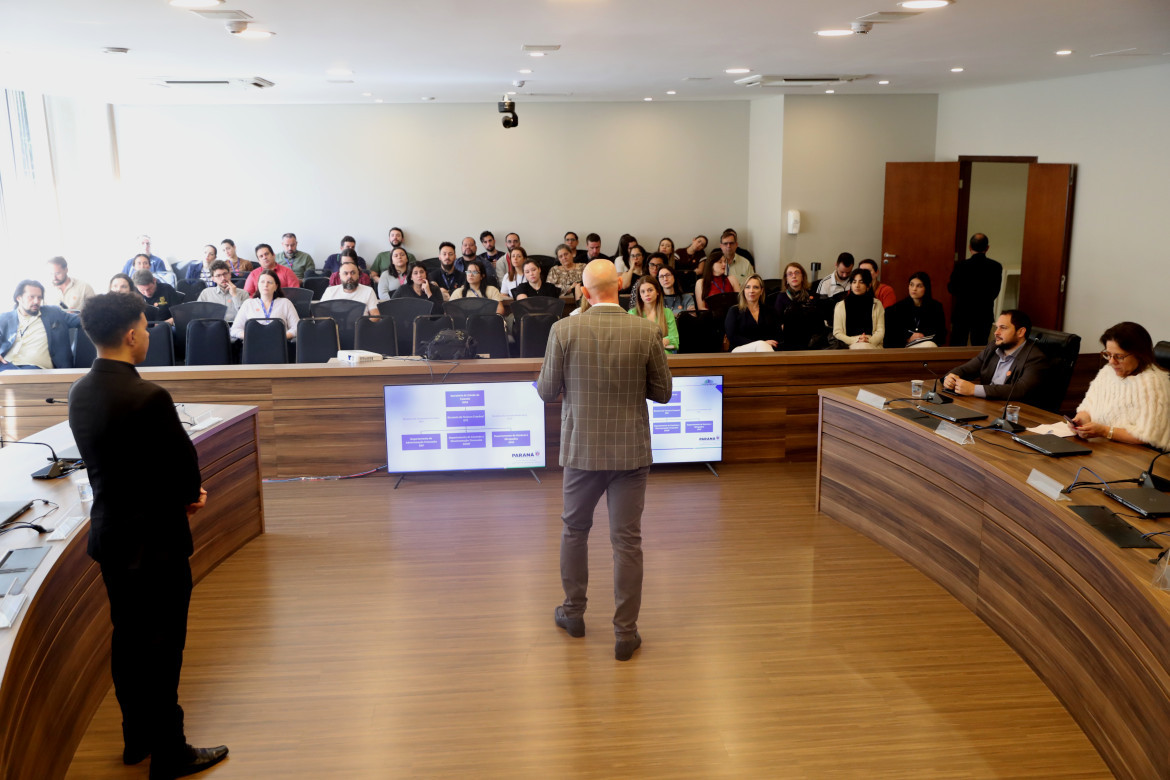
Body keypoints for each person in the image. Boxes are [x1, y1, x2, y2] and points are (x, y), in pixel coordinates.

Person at [67, 292, 228, 779]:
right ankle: (171, 752)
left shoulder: (80, 390)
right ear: (133, 334)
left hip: (112, 536)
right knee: (162, 649)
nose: (150, 334)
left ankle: (136, 738)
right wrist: (190, 497)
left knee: (130, 642)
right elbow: (185, 474)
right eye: (147, 326)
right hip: (155, 543)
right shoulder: (149, 396)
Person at [537, 259, 672, 662]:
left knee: (574, 531)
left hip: (582, 451)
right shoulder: (647, 331)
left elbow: (546, 391)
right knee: (627, 542)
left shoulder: (563, 329)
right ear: (620, 287)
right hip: (631, 452)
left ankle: (574, 614)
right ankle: (625, 633)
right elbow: (663, 392)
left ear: (583, 290)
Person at [1071, 322, 1170, 449]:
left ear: (1139, 354)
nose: (1112, 362)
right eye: (1108, 354)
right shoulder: (1107, 372)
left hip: (1138, 456)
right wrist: (1080, 421)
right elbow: (1088, 407)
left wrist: (1104, 431)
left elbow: (1149, 435)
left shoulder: (1153, 384)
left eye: (1119, 356)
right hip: (1103, 448)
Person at [943, 309, 1050, 403]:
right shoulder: (993, 348)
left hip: (1016, 413)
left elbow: (1019, 390)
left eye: (1003, 328)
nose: (996, 333)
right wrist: (951, 378)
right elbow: (965, 369)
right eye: (997, 327)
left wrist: (973, 389)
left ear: (1021, 332)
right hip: (987, 404)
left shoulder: (1035, 357)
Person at [0, 279, 79, 370]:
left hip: (33, 369)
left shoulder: (53, 313)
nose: (36, 301)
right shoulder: (5, 318)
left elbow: (83, 320)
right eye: (31, 297)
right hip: (5, 365)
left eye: (39, 297)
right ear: (19, 298)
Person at [948, 233, 1003, 346]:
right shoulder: (995, 266)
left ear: (969, 247)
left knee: (957, 346)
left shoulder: (960, 266)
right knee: (979, 347)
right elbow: (995, 292)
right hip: (983, 312)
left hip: (962, 312)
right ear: (987, 248)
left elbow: (951, 288)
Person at [231, 269, 299, 342]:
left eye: (269, 282)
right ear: (258, 285)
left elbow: (297, 328)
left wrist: (281, 336)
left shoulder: (285, 303)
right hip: (253, 344)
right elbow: (235, 330)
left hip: (278, 344)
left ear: (276, 286)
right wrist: (249, 336)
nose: (265, 285)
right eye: (262, 282)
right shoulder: (248, 304)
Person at [885, 271, 947, 348]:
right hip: (903, 346)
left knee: (929, 345)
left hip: (928, 344)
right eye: (911, 285)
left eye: (919, 286)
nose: (914, 289)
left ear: (926, 288)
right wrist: (908, 338)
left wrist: (923, 337)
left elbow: (941, 334)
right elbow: (891, 334)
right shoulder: (897, 308)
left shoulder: (936, 307)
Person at [774, 262, 827, 351]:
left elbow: (819, 321)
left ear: (802, 277)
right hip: (789, 339)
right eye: (790, 274)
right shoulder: (781, 297)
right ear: (786, 279)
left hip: (810, 339)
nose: (794, 276)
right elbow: (776, 321)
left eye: (797, 273)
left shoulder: (812, 296)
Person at [725, 274, 781, 352]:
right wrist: (761, 343)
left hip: (765, 349)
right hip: (739, 350)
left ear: (761, 291)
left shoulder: (770, 311)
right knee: (761, 345)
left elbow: (777, 335)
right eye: (748, 287)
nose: (751, 291)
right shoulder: (734, 311)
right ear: (743, 290)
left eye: (756, 287)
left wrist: (764, 344)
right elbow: (732, 337)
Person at [832, 268, 884, 349]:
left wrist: (869, 341)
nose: (857, 285)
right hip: (849, 344)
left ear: (868, 285)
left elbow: (880, 330)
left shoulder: (877, 304)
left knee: (865, 347)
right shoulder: (841, 305)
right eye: (854, 282)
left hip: (873, 344)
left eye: (861, 282)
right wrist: (856, 340)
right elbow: (837, 333)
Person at [629, 275, 679, 353]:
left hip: (663, 355)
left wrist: (666, 341)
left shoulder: (667, 313)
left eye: (650, 290)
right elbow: (630, 341)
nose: (647, 294)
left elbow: (675, 341)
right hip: (641, 355)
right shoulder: (632, 313)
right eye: (643, 291)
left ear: (657, 291)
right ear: (640, 295)